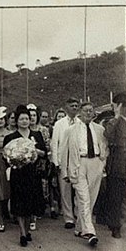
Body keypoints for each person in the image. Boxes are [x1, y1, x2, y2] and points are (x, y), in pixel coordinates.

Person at [61, 102, 108, 246]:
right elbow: (64, 153)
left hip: (95, 163)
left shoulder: (100, 129)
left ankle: (80, 228)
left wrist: (102, 164)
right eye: (86, 110)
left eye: (91, 111)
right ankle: (90, 232)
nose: (89, 113)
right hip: (79, 164)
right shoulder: (71, 130)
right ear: (80, 112)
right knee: (84, 197)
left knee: (91, 198)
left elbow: (105, 148)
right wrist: (65, 171)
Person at [3, 106, 47, 247]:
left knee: (30, 204)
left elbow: (45, 153)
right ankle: (22, 233)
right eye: (21, 119)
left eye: (27, 118)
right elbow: (6, 156)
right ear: (16, 121)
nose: (24, 121)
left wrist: (34, 150)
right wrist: (15, 159)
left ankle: (27, 230)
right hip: (18, 174)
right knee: (20, 203)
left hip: (33, 174)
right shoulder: (10, 137)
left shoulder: (37, 135)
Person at [50, 97, 80, 229]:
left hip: (78, 161)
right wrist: (56, 162)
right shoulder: (59, 124)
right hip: (63, 161)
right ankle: (68, 218)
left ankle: (79, 215)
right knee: (65, 190)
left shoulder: (80, 122)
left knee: (79, 190)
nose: (74, 108)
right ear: (66, 107)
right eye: (72, 105)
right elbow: (54, 144)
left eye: (76, 105)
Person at [101, 92, 126, 238]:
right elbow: (107, 134)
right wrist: (116, 116)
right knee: (115, 197)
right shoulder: (114, 122)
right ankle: (115, 227)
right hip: (117, 165)